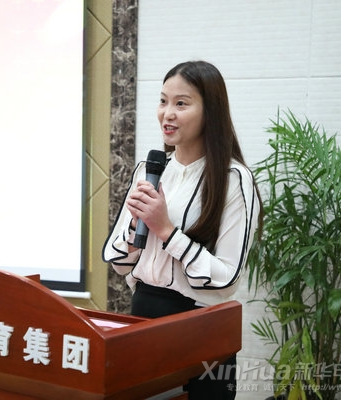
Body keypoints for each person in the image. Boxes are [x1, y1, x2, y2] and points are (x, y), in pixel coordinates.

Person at [102, 60, 263, 399]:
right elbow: (120, 264)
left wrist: (166, 231)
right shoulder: (149, 169)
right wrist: (135, 231)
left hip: (201, 328)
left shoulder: (234, 180)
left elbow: (227, 277)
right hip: (144, 315)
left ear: (210, 112)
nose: (167, 114)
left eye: (181, 103)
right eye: (163, 101)